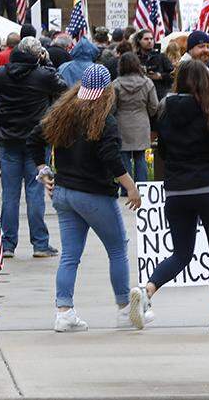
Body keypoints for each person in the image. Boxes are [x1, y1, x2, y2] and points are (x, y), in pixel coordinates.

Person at [29, 64, 150, 332]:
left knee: (70, 255)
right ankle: (123, 309)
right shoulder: (105, 120)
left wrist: (42, 168)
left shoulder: (63, 111)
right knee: (117, 248)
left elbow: (34, 138)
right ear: (107, 91)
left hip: (63, 193)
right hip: (93, 194)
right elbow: (110, 157)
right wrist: (131, 186)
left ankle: (64, 312)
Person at [130, 59, 209, 331]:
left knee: (181, 254)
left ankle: (147, 291)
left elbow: (162, 153)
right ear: (204, 83)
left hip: (177, 191)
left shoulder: (165, 114)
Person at [0, 36, 65, 258]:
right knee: (35, 192)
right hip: (36, 139)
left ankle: (7, 244)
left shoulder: (1, 74)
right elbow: (62, 86)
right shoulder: (43, 75)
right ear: (37, 55)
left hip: (8, 138)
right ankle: (40, 244)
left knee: (10, 194)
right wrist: (47, 62)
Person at [115, 52, 159, 182]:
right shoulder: (147, 83)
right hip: (141, 122)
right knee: (140, 157)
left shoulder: (116, 84)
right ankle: (142, 186)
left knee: (124, 158)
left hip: (122, 123)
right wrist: (147, 113)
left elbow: (111, 107)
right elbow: (154, 105)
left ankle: (126, 189)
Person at [133, 29, 175, 99]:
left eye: (151, 39)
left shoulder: (161, 57)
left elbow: (173, 76)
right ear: (139, 41)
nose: (149, 41)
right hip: (140, 96)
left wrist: (160, 76)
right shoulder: (134, 58)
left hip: (159, 95)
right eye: (146, 39)